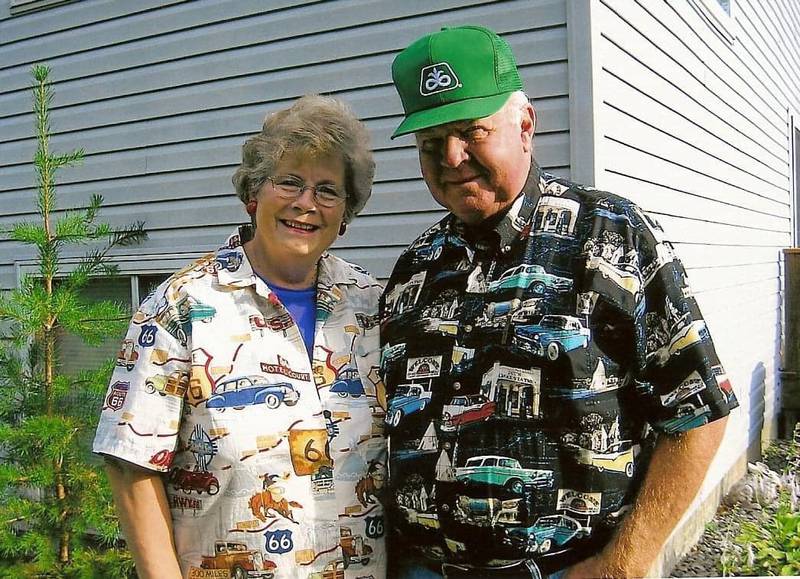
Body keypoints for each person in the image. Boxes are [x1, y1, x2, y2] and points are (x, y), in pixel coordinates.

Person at [380, 26, 738, 579]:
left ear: (525, 124)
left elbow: (698, 412)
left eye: (471, 131)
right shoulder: (416, 267)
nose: (451, 158)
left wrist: (623, 565)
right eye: (430, 142)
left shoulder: (611, 237)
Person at [94, 95, 387, 579]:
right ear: (254, 194)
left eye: (327, 190)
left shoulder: (373, 305)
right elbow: (131, 463)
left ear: (346, 211)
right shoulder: (181, 306)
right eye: (288, 181)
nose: (305, 203)